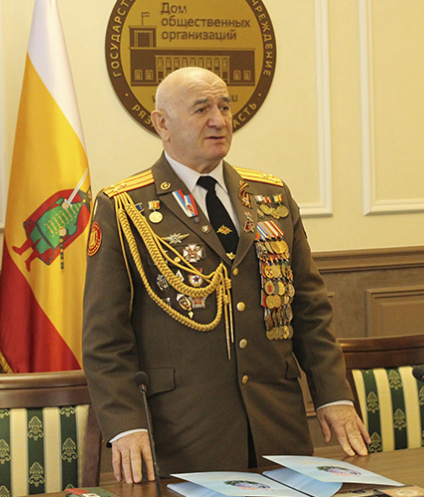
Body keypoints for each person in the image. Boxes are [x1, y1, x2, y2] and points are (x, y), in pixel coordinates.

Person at [82, 67, 370, 484]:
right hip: (184, 433)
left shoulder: (270, 195)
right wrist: (125, 425)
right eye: (202, 109)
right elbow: (105, 338)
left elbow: (310, 310)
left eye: (224, 107)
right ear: (162, 124)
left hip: (277, 426)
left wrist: (334, 396)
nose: (218, 120)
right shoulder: (124, 207)